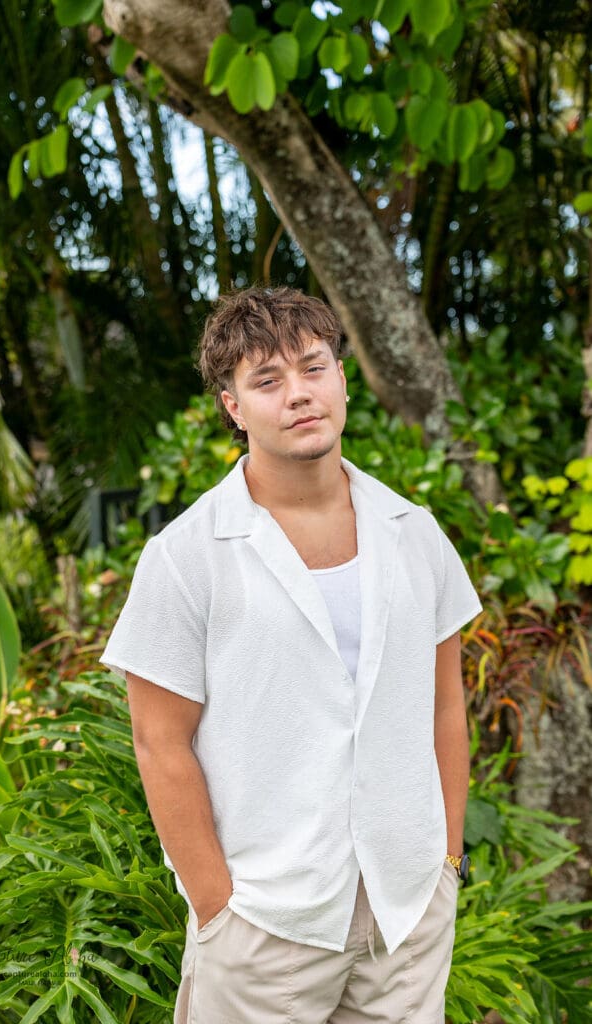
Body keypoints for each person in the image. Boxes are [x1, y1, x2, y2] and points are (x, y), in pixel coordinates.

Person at [100, 286, 482, 1024]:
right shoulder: (184, 557)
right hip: (265, 925)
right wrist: (217, 908)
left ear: (341, 376)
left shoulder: (415, 533)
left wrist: (445, 865)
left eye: (312, 368)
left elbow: (442, 705)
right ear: (232, 407)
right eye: (266, 381)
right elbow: (158, 740)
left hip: (405, 915)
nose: (298, 395)